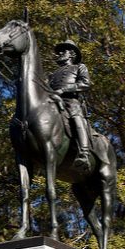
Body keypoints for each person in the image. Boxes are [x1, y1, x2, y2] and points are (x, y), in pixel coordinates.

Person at [49, 40, 92, 171]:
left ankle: (84, 154)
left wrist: (63, 90)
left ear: (72, 54)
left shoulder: (79, 67)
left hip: (71, 102)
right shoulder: (52, 74)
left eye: (64, 50)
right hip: (53, 102)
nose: (60, 53)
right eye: (60, 51)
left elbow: (85, 83)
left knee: (77, 119)